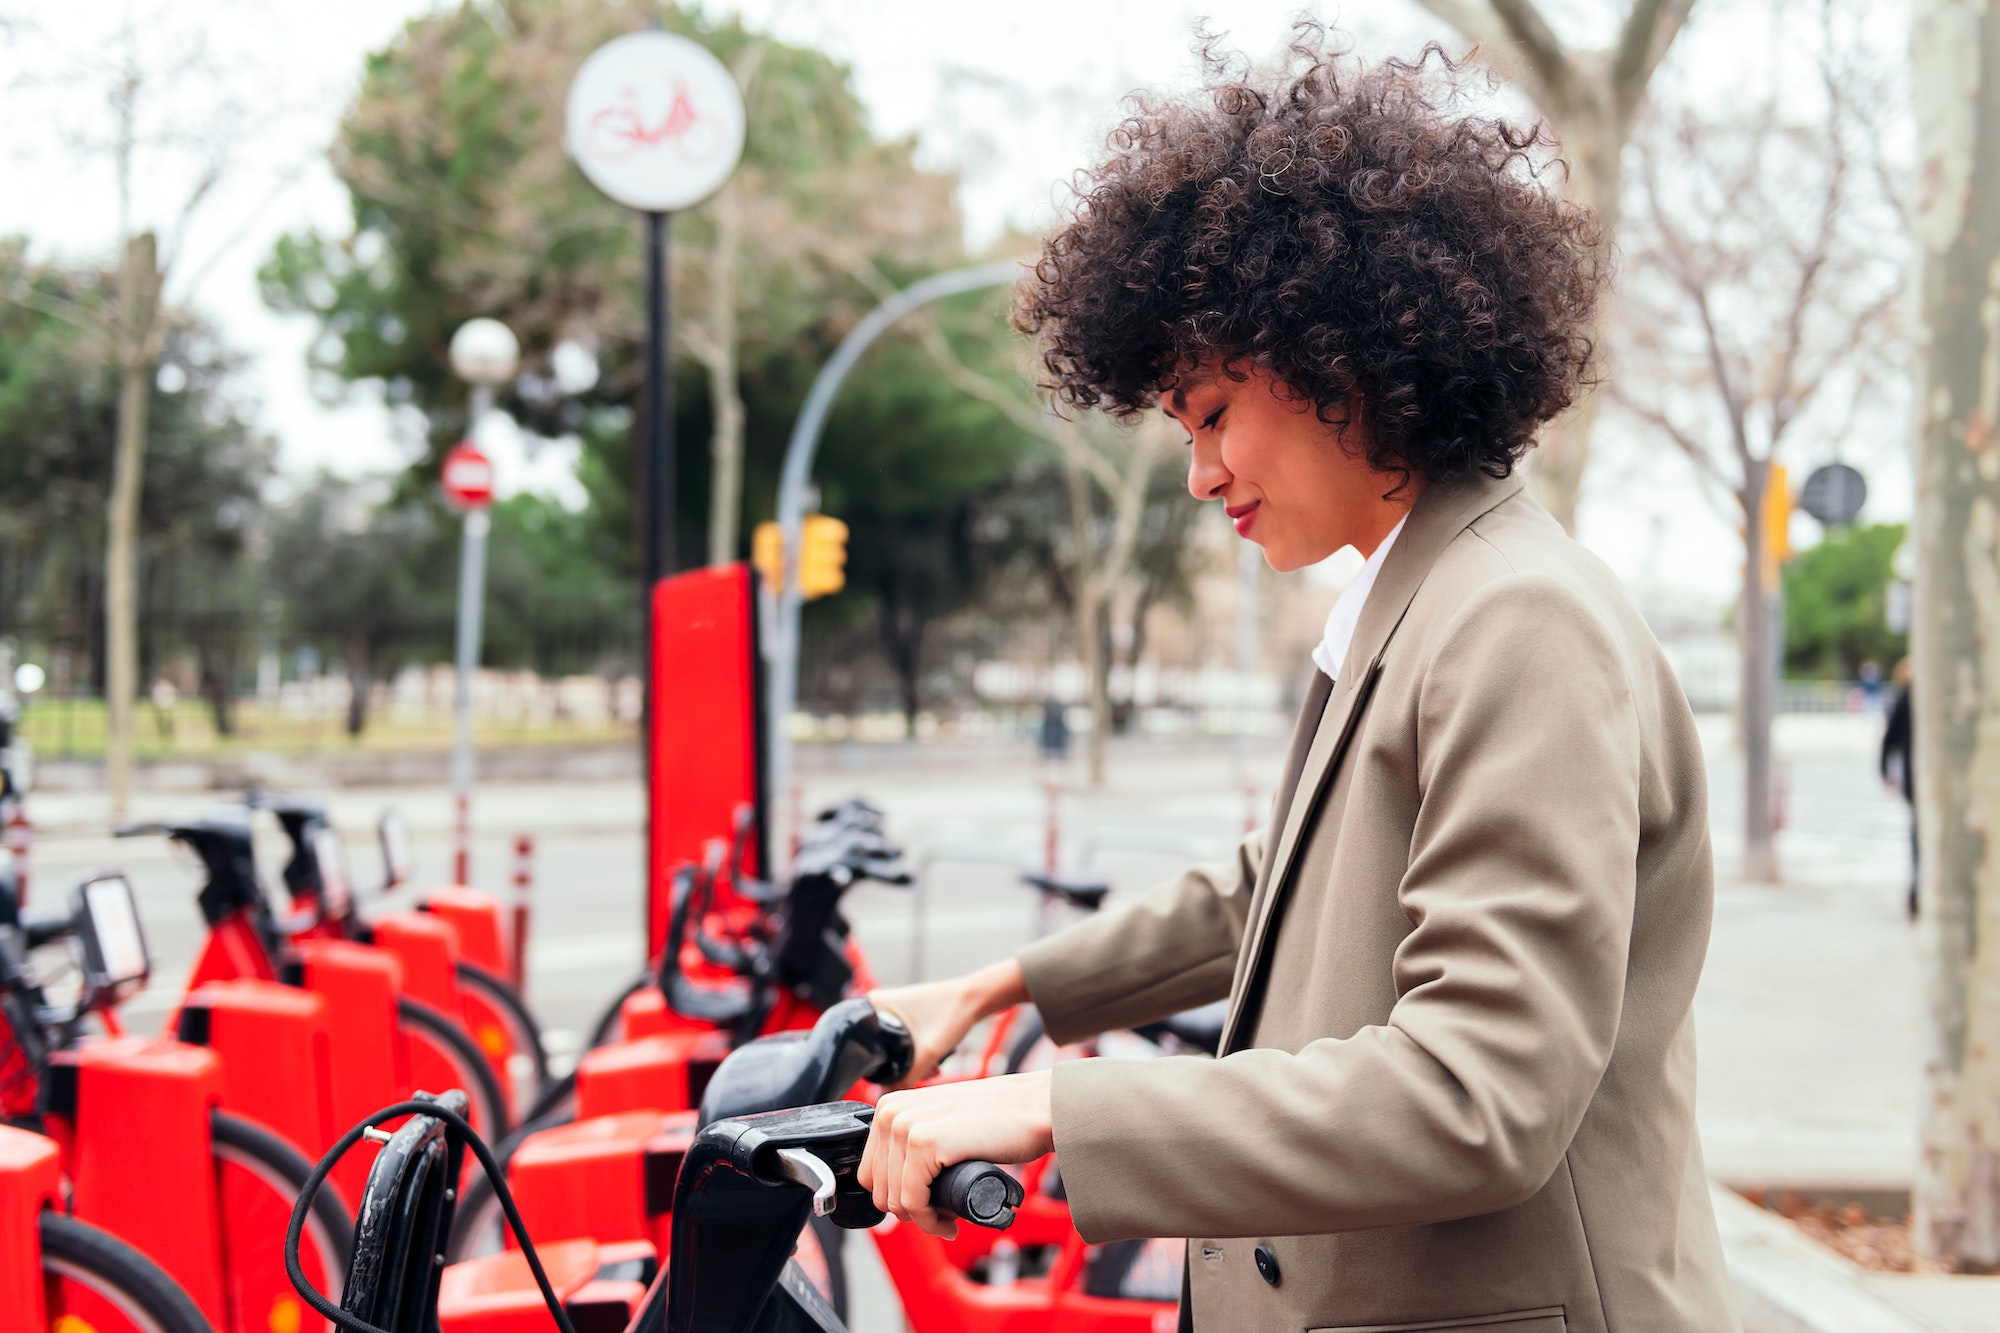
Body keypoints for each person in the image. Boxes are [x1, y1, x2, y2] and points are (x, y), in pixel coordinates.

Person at [857, 33, 1737, 1332]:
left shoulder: (1518, 622)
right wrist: (1004, 992)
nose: (1201, 474)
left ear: (1349, 359)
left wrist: (1055, 1105)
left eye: (1212, 412)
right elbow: (1277, 886)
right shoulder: (1422, 592)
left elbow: (1477, 1094)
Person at [1881, 657, 1915, 918]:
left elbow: (1889, 738)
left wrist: (1884, 770)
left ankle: (1916, 890)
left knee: (1918, 832)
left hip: (1914, 776)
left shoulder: (1907, 695)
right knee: (1918, 832)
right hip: (1914, 776)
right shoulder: (1908, 696)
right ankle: (1916, 890)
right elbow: (1891, 736)